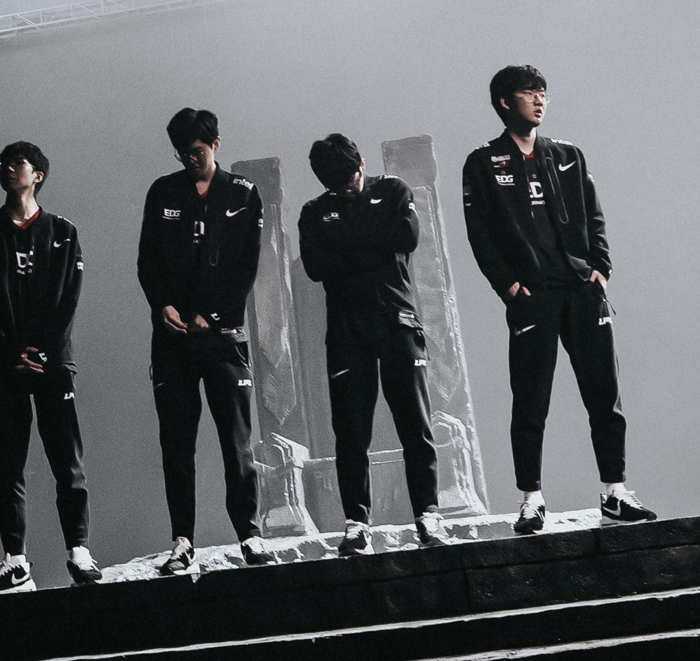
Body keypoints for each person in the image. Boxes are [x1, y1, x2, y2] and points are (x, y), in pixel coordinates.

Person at [462, 65, 656, 534]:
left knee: (604, 395)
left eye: (543, 92)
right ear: (505, 101)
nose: (540, 100)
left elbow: (594, 214)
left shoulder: (568, 154)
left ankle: (615, 492)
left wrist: (600, 269)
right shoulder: (483, 161)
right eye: (530, 92)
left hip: (582, 290)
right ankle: (531, 500)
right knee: (530, 400)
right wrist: (509, 286)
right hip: (533, 296)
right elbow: (479, 234)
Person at [137, 108, 277, 575]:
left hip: (223, 339)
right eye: (182, 153)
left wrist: (212, 314)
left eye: (197, 151)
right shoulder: (163, 191)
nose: (190, 159)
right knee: (177, 446)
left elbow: (247, 265)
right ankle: (182, 542)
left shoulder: (242, 192)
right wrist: (163, 305)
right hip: (173, 341)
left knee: (237, 444)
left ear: (215, 144)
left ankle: (250, 536)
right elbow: (147, 259)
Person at [298, 134, 448, 556]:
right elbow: (315, 267)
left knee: (415, 424)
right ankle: (356, 525)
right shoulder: (314, 211)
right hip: (347, 331)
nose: (347, 189)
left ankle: (428, 515)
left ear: (362, 164)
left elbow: (407, 236)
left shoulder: (394, 189)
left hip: (397, 321)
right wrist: (372, 240)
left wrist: (346, 242)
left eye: (350, 179)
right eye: (336, 185)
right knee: (350, 433)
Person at [0, 141, 101, 595]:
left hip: (53, 363)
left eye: (17, 162)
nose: (8, 168)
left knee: (67, 461)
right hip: (1, 366)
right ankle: (15, 561)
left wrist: (40, 350)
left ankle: (79, 551)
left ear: (37, 174)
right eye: (3, 162)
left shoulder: (63, 231)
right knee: (8, 468)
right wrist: (11, 352)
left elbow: (69, 298)